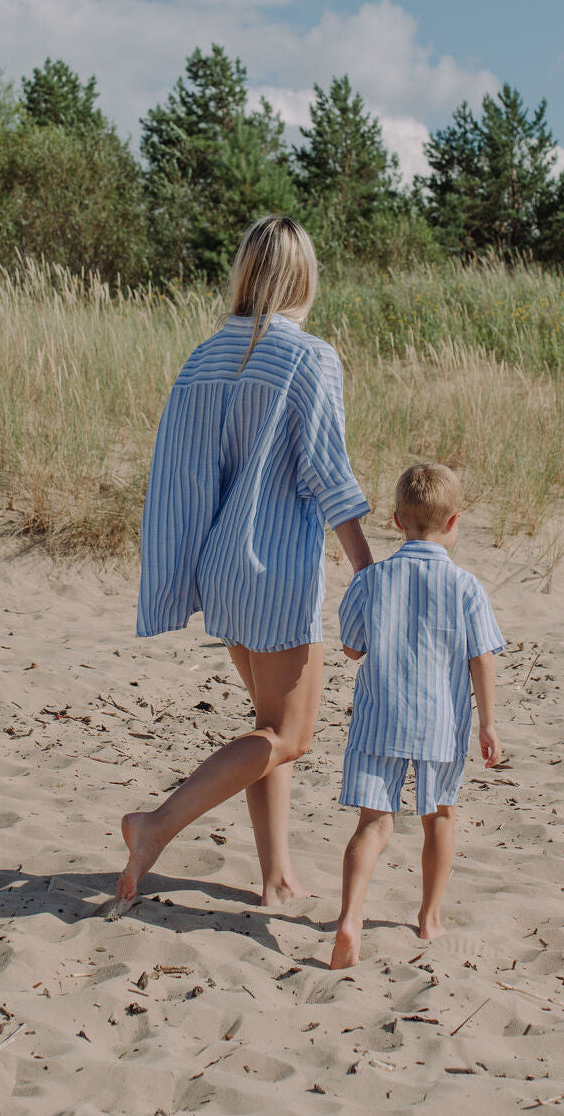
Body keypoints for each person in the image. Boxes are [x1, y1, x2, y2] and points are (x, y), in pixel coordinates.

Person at [117, 216, 373, 908]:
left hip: (221, 566)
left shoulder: (202, 358)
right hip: (277, 569)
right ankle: (156, 825)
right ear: (304, 277)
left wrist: (181, 572)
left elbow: (179, 475)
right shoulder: (309, 357)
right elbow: (328, 472)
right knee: (288, 735)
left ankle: (276, 873)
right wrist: (368, 570)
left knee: (268, 725)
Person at [329, 462, 504, 969]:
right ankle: (429, 918)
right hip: (440, 723)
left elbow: (351, 649)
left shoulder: (371, 582)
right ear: (454, 522)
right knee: (439, 817)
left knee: (373, 823)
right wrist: (488, 723)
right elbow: (482, 658)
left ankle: (350, 917)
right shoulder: (467, 587)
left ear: (396, 519)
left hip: (380, 718)